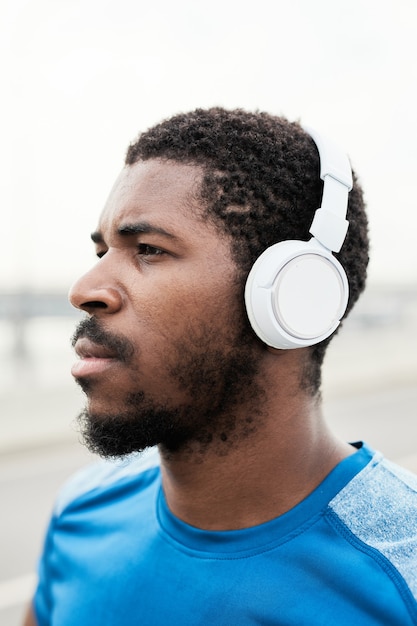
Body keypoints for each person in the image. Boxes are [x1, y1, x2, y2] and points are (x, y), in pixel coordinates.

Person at [24, 108, 417, 626]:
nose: (84, 290)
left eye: (148, 250)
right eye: (101, 251)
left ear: (293, 298)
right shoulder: (81, 512)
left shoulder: (401, 579)